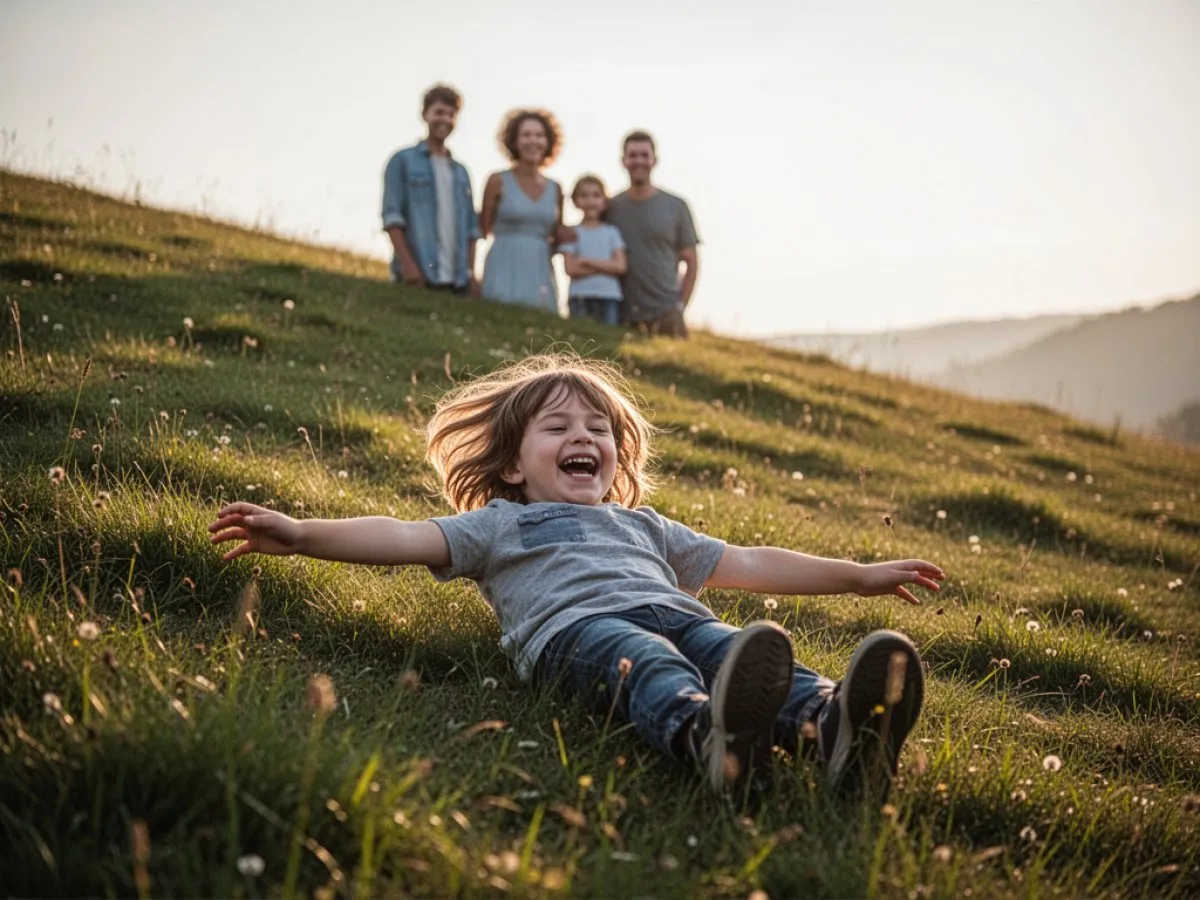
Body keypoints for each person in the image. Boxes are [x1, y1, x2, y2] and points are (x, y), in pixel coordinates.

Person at [208, 354, 943, 796]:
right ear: (511, 465)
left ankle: (838, 727)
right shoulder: (501, 524)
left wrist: (858, 575)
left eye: (598, 431)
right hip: (575, 632)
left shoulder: (646, 526)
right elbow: (403, 535)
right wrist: (301, 534)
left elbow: (749, 562)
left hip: (681, 615)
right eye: (557, 429)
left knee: (734, 645)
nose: (583, 438)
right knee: (648, 662)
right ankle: (709, 741)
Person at [381, 84, 481, 295]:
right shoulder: (402, 161)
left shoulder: (461, 172)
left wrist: (471, 273)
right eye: (439, 113)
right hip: (418, 275)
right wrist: (408, 266)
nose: (444, 120)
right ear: (424, 115)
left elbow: (471, 228)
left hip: (457, 281)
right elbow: (392, 217)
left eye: (451, 115)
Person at [607, 131, 699, 338]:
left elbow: (691, 261)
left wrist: (680, 305)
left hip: (667, 312)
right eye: (633, 155)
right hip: (622, 314)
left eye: (644, 155)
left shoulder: (676, 206)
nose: (638, 161)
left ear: (654, 160)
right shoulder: (612, 207)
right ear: (623, 161)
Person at [479, 109, 568, 314]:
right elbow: (483, 227)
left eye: (539, 135)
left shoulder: (556, 189)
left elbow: (558, 236)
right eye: (526, 135)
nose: (533, 141)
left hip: (540, 270)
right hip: (503, 264)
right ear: (514, 141)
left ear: (548, 142)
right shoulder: (497, 181)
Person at [561, 175, 626, 327]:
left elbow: (620, 266)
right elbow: (571, 268)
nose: (590, 201)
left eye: (596, 195)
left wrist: (586, 261)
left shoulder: (612, 232)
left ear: (604, 201)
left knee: (607, 339)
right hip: (580, 296)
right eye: (584, 196)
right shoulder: (571, 233)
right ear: (575, 201)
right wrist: (605, 268)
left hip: (609, 296)